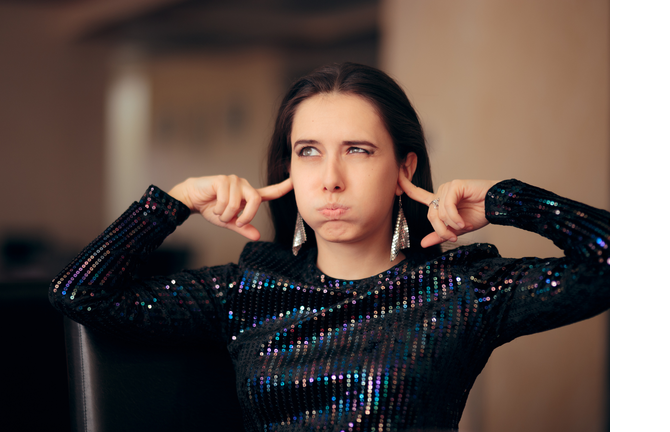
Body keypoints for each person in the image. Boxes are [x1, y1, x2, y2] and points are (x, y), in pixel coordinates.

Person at [49, 62, 609, 432]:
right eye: (309, 151)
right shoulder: (244, 289)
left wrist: (507, 201)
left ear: (402, 169)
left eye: (359, 150)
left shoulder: (463, 289)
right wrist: (174, 202)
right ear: (288, 167)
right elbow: (80, 294)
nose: (330, 178)